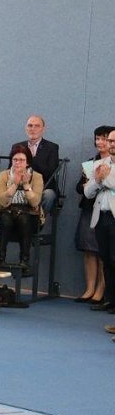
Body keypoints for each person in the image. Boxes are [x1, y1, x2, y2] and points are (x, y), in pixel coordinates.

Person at [75, 125, 113, 304]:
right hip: (90, 208)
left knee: (105, 252)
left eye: (104, 139)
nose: (100, 142)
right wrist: (88, 182)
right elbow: (81, 188)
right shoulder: (91, 162)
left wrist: (101, 180)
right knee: (89, 249)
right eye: (97, 138)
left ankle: (102, 290)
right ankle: (90, 288)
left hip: (109, 209)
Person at [0, 144, 44, 270]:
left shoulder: (37, 176)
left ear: (27, 162)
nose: (18, 163)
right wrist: (15, 184)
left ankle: (24, 261)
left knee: (24, 219)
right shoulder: (4, 175)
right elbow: (1, 200)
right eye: (15, 160)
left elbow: (35, 202)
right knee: (5, 219)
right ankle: (0, 259)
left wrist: (26, 185)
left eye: (21, 160)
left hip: (29, 213)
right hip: (8, 210)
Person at [83, 128, 115, 314]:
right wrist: (96, 180)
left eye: (114, 141)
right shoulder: (99, 164)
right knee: (106, 259)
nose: (111, 144)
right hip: (101, 216)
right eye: (110, 141)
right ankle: (109, 300)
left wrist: (103, 178)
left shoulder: (104, 169)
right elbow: (88, 192)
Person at [14, 115, 60, 214]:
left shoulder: (52, 147)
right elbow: (11, 170)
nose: (33, 129)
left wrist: (32, 158)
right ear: (26, 128)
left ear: (43, 129)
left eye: (37, 126)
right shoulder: (17, 146)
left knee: (49, 195)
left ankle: (38, 220)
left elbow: (51, 172)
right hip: (21, 186)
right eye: (30, 125)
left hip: (44, 187)